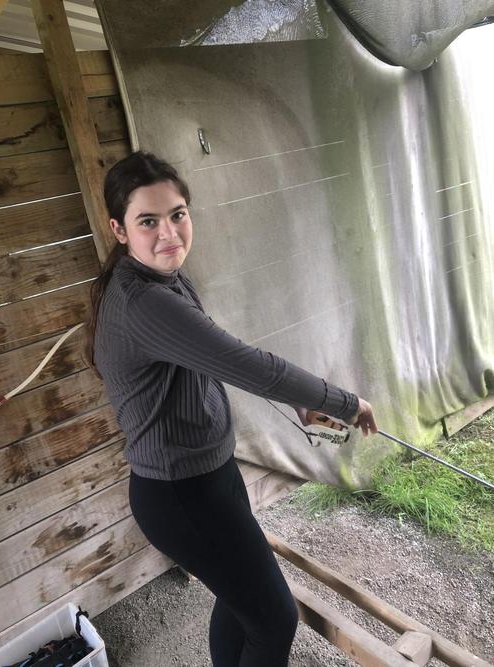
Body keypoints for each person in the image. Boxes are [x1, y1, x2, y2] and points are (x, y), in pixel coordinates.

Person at [86, 151, 377, 666]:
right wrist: (344, 403)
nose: (169, 233)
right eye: (148, 221)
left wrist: (300, 403)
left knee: (241, 602)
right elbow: (249, 365)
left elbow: (212, 357)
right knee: (274, 619)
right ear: (119, 230)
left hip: (210, 476)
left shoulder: (167, 278)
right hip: (182, 496)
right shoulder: (145, 302)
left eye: (178, 214)